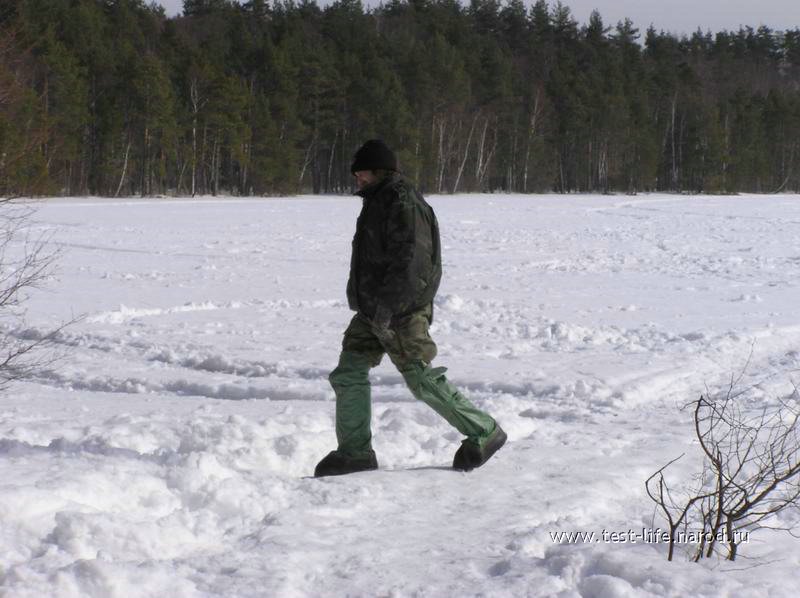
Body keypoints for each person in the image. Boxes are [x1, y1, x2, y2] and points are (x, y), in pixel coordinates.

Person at [314, 139, 506, 477]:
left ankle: (484, 431)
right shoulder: (377, 200)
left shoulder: (403, 203)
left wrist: (389, 308)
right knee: (348, 373)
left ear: (379, 170)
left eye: (361, 172)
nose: (356, 177)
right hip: (372, 310)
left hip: (400, 311)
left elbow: (412, 263)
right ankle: (355, 452)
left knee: (420, 379)